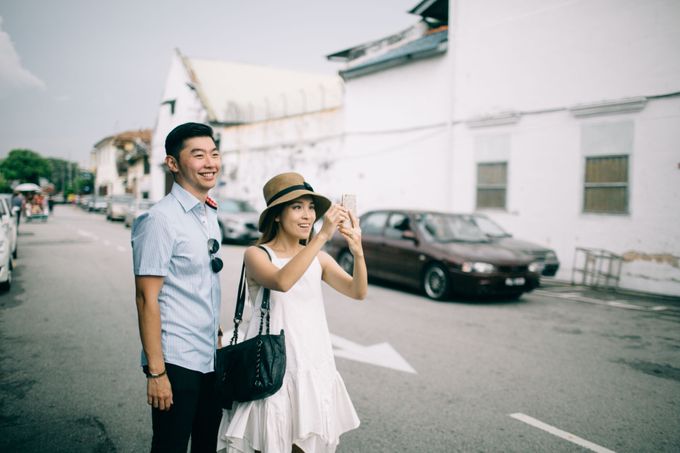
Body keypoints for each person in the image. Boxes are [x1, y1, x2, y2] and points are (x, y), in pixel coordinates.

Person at [217, 172, 368, 453]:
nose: (307, 216)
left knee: (306, 445)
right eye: (297, 207)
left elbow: (358, 291)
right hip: (273, 366)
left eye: (311, 207)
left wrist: (357, 251)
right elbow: (282, 282)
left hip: (313, 363)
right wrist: (322, 235)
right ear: (276, 215)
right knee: (271, 443)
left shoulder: (318, 258)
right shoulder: (257, 254)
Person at [132, 122, 224, 452]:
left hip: (210, 357)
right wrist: (156, 373)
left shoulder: (208, 214)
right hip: (176, 359)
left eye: (214, 154)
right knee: (170, 445)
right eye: (198, 155)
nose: (210, 162)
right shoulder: (159, 220)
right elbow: (146, 298)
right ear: (173, 164)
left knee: (205, 445)